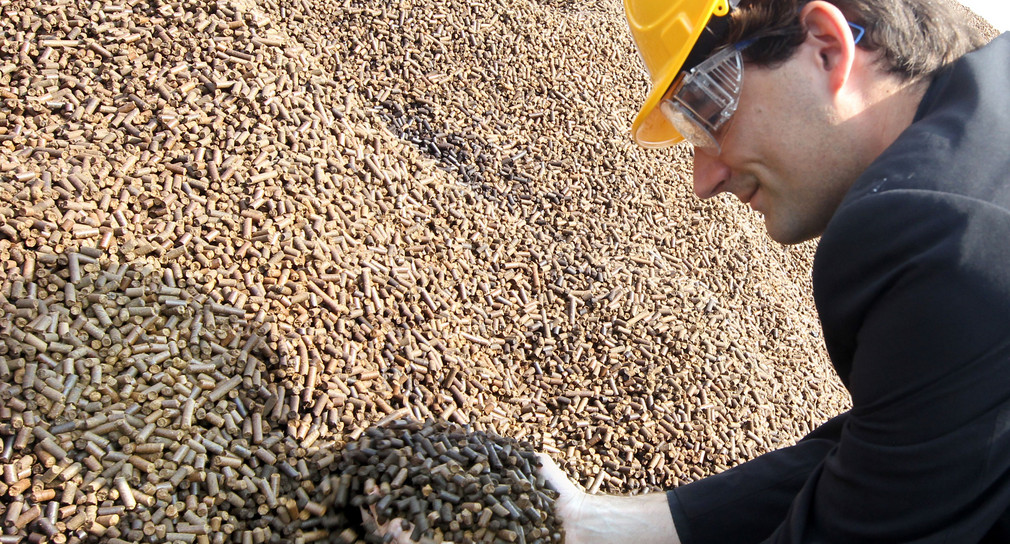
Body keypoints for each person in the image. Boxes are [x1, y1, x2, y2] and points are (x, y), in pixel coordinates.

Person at [538, 0, 1010, 542]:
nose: (704, 179)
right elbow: (900, 446)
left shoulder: (928, 227)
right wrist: (586, 524)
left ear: (827, 48)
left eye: (708, 107)